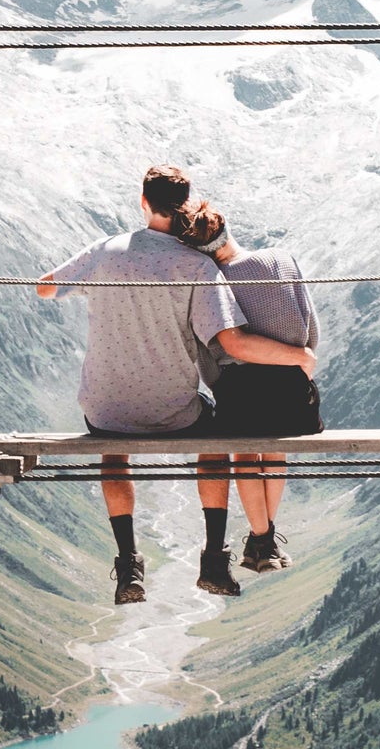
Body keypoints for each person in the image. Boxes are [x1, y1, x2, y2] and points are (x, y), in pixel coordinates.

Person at [36, 166, 317, 606]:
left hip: (105, 406)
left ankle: (129, 562)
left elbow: (45, 288)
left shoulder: (105, 251)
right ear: (185, 204)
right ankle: (213, 559)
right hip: (174, 410)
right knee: (216, 436)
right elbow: (232, 341)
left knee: (113, 446)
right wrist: (298, 357)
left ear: (143, 201)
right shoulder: (196, 265)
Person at [179, 204, 321, 575]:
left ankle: (263, 538)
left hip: (242, 393)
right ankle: (264, 540)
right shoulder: (281, 259)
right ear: (226, 226)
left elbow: (212, 355)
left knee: (244, 455)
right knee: (275, 454)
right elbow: (312, 333)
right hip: (294, 391)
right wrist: (297, 360)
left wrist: (219, 383)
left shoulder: (212, 282)